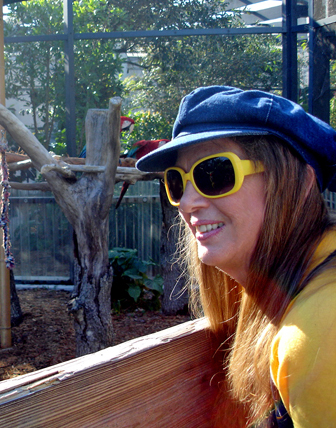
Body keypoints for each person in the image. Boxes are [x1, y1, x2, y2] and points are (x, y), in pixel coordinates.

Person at [136, 86, 336, 428]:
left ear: (300, 182)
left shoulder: (318, 329)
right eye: (177, 181)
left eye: (214, 172)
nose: (186, 202)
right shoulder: (291, 290)